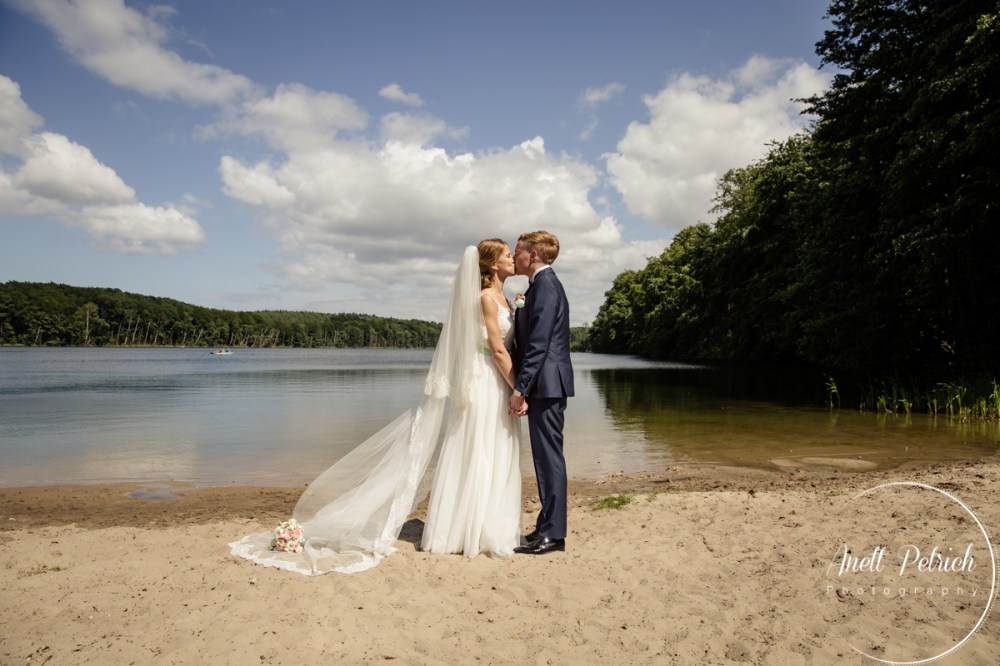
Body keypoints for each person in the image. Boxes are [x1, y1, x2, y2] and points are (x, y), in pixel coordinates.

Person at [229, 240, 523, 575]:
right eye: (507, 256)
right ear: (490, 265)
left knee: (491, 449)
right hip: (486, 379)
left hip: (496, 380)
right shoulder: (485, 298)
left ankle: (481, 524)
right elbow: (498, 351)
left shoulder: (504, 300)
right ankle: (468, 530)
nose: (513, 259)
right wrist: (519, 388)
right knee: (479, 449)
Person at [508, 230, 574, 556]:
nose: (513, 256)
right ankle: (546, 526)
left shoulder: (546, 286)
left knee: (550, 460)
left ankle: (554, 534)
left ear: (533, 255)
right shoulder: (536, 287)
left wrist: (520, 388)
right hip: (544, 385)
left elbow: (539, 344)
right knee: (544, 459)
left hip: (546, 385)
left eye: (517, 251)